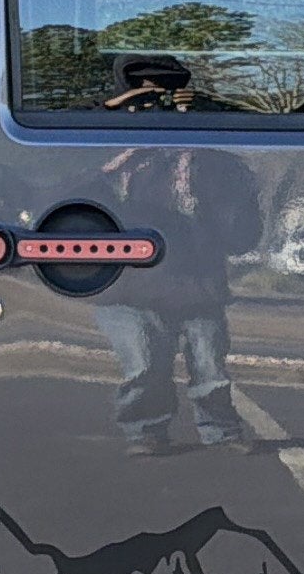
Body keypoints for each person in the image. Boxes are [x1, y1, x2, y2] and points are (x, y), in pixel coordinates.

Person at [91, 144, 261, 455]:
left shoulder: (219, 166)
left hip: (197, 286)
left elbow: (243, 236)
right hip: (128, 287)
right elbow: (86, 210)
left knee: (210, 367)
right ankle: (144, 432)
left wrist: (216, 203)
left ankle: (221, 430)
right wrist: (109, 176)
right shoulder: (118, 164)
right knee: (143, 366)